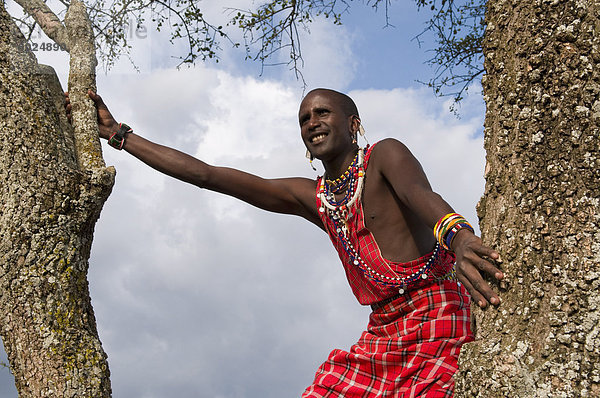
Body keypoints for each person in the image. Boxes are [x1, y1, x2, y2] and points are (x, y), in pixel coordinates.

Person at [67, 88, 503, 397]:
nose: (312, 122)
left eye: (323, 113)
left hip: (436, 311)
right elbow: (207, 175)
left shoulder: (385, 155)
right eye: (304, 119)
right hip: (383, 331)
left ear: (353, 124)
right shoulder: (313, 198)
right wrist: (118, 135)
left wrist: (460, 237)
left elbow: (420, 195)